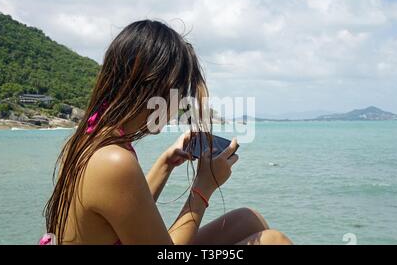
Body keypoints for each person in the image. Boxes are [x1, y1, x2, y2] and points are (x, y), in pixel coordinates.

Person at [42, 20, 292, 245]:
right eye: (180, 93)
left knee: (248, 220)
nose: (180, 104)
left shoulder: (92, 137)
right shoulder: (114, 162)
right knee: (273, 242)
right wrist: (204, 187)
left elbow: (125, 211)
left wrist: (164, 165)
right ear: (156, 89)